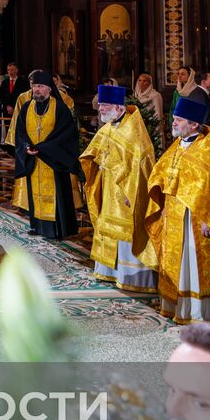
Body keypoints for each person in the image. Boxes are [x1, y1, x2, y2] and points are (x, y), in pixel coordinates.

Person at [145, 97, 210, 323]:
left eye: (179, 119)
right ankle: (177, 307)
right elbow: (162, 173)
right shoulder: (177, 145)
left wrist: (209, 219)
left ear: (194, 124)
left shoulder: (207, 151)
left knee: (193, 263)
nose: (173, 122)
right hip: (173, 215)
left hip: (196, 219)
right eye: (174, 118)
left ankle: (198, 312)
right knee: (178, 261)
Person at [79, 84, 157, 292]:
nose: (100, 109)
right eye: (101, 105)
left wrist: (133, 193)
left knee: (125, 231)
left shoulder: (134, 132)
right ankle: (108, 271)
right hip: (108, 189)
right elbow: (93, 152)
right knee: (108, 227)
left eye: (104, 105)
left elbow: (140, 166)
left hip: (126, 192)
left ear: (118, 107)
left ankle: (130, 276)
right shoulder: (108, 127)